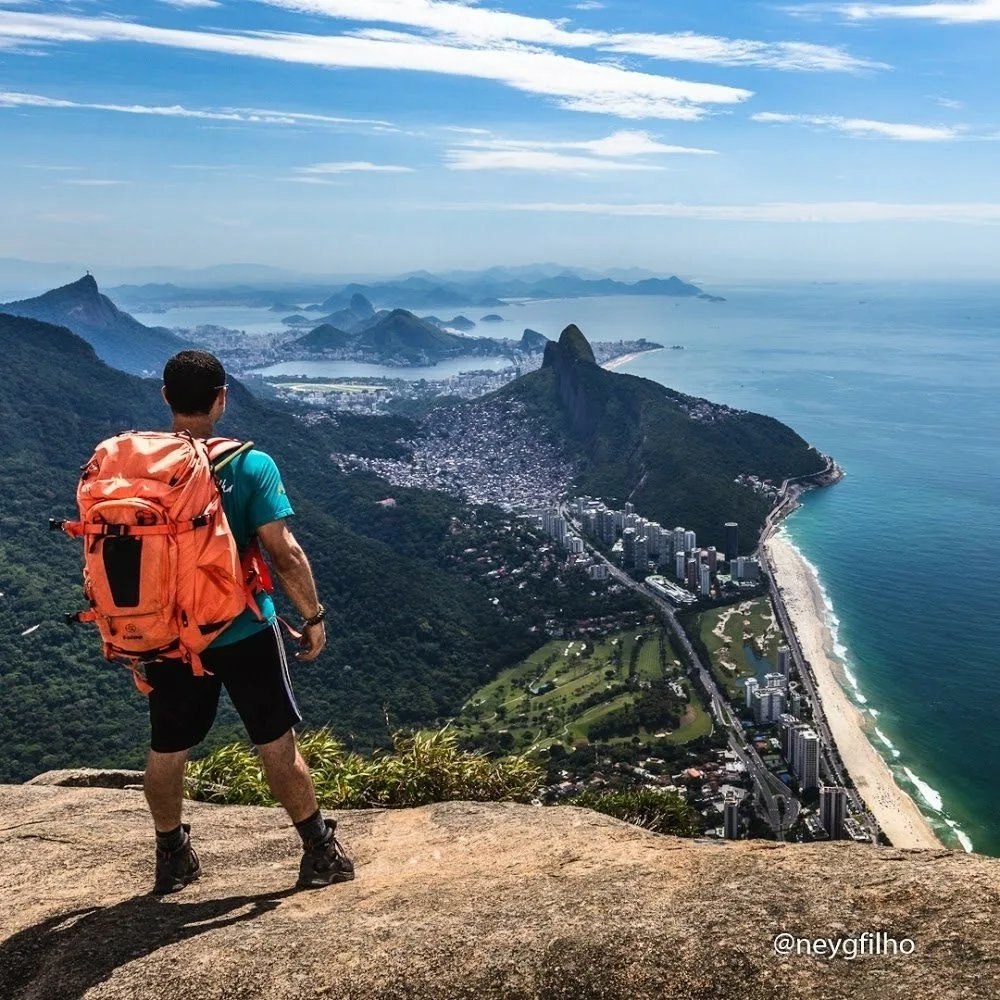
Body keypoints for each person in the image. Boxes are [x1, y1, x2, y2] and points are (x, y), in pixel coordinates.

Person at [144, 349, 354, 895]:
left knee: (167, 748)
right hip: (242, 629)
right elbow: (283, 553)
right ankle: (318, 850)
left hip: (168, 636)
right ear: (222, 398)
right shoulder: (249, 465)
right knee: (275, 743)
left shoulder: (140, 469)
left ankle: (171, 855)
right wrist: (313, 616)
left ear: (166, 397)